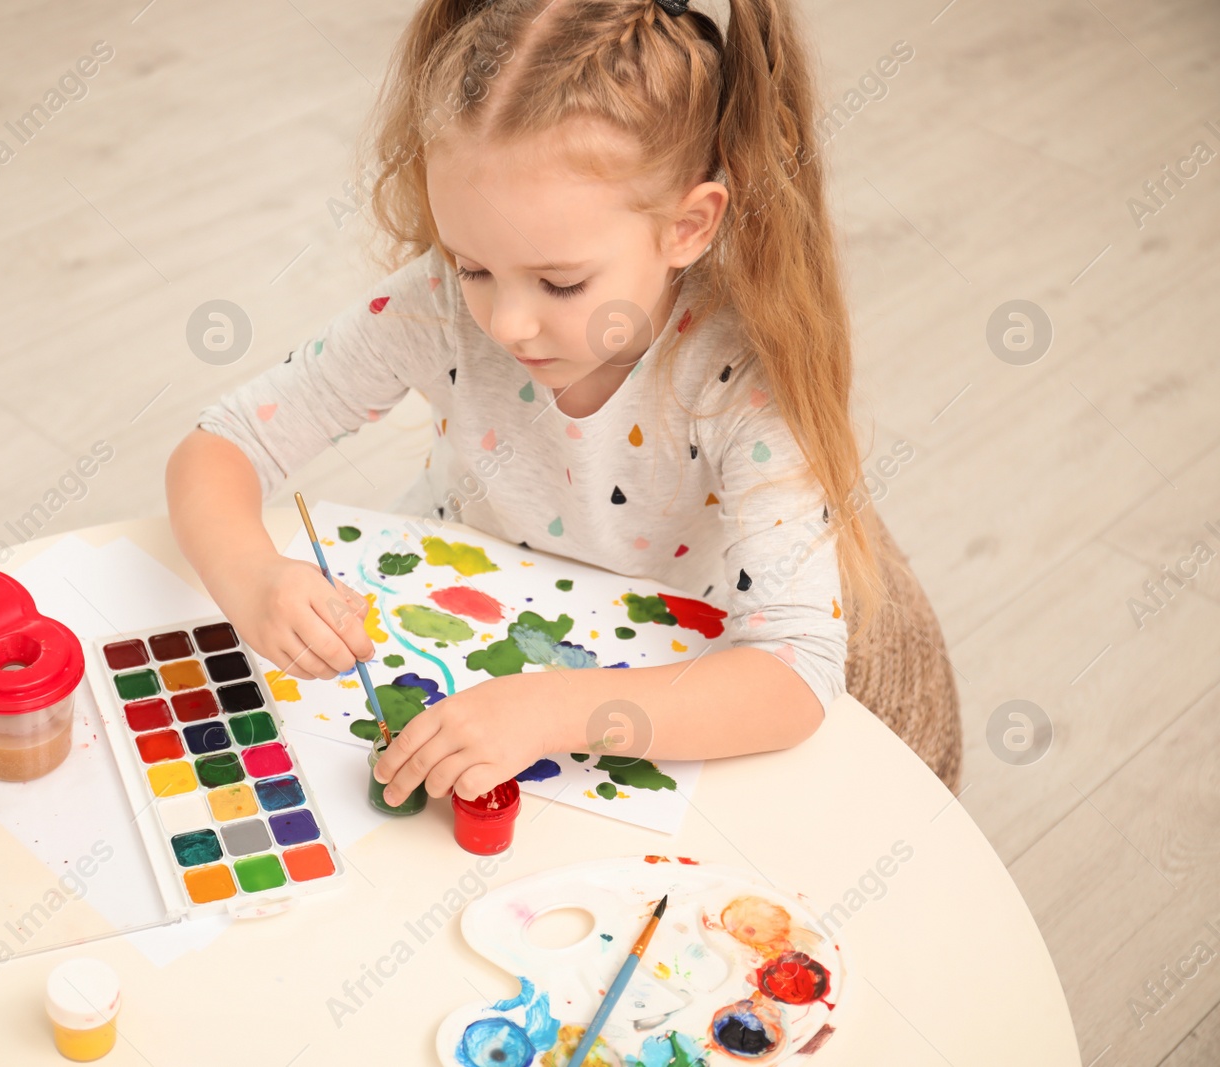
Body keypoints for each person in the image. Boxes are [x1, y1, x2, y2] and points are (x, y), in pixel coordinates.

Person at [167, 0, 961, 804]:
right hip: (438, 630)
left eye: (561, 283)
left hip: (646, 691)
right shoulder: (436, 305)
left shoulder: (737, 383)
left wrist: (551, 710)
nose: (507, 322)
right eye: (472, 263)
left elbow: (796, 669)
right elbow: (224, 441)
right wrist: (252, 573)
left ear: (688, 226)